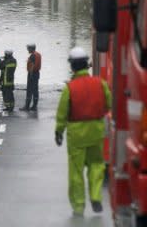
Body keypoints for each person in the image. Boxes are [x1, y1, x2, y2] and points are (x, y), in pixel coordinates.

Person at [54, 46, 112, 217]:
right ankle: (95, 196)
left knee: (76, 171)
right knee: (96, 165)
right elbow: (109, 104)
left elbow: (62, 113)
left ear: (72, 66)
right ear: (87, 64)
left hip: (77, 135)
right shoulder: (100, 84)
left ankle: (79, 206)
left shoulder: (70, 88)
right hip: (96, 131)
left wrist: (59, 132)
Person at [20, 43, 42, 111]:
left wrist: (31, 75)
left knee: (29, 90)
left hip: (32, 74)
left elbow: (32, 66)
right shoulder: (38, 54)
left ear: (31, 48)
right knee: (35, 90)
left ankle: (27, 106)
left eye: (28, 48)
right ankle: (34, 106)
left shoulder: (32, 56)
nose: (27, 49)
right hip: (37, 73)